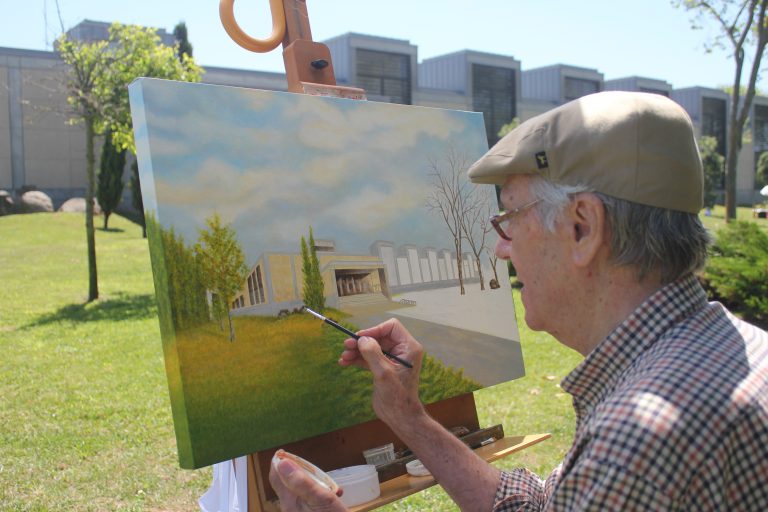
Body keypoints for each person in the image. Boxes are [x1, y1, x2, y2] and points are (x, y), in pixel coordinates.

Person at [269, 91, 768, 511]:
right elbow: (548, 503)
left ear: (582, 227)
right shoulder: (739, 351)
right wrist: (409, 418)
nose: (500, 246)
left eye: (510, 217)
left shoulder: (635, 442)